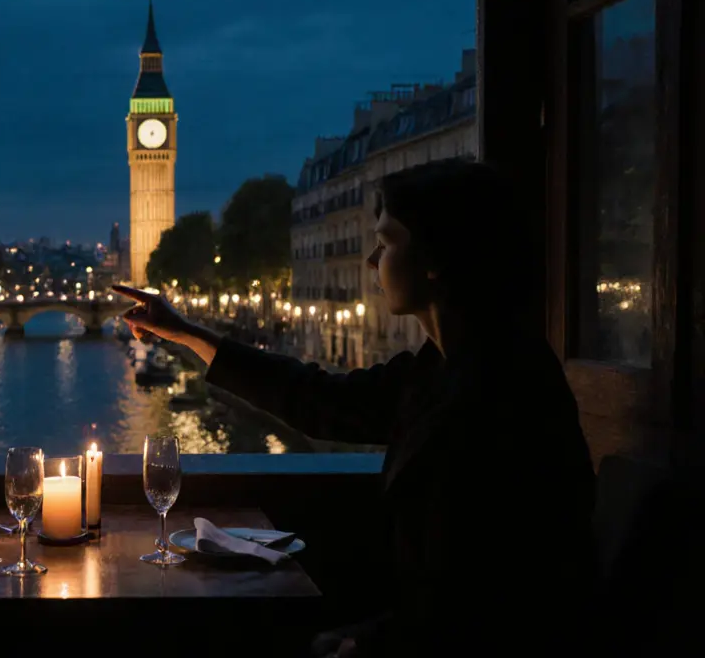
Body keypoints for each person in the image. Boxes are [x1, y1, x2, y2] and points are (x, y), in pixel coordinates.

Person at [113, 159, 596, 657]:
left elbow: (492, 599)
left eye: (386, 243)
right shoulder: (448, 369)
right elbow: (317, 398)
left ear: (435, 258)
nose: (371, 260)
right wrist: (189, 333)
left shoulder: (500, 399)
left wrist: (364, 644)